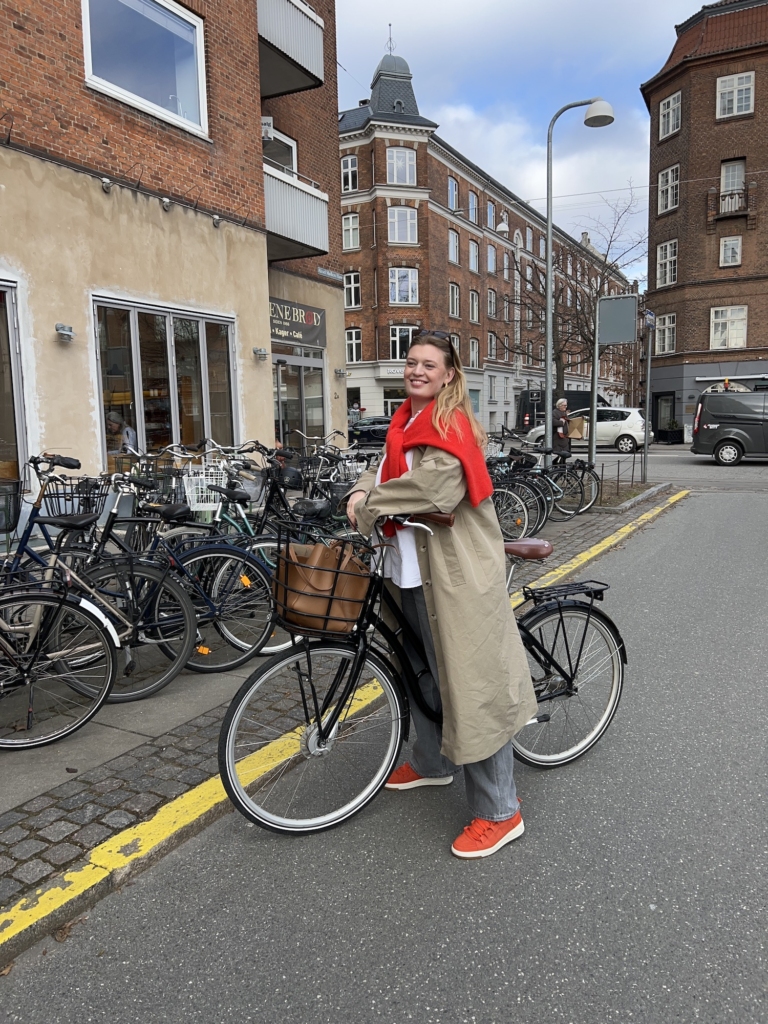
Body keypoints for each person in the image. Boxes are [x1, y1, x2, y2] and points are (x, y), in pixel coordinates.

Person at [346, 331, 537, 859]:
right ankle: (433, 762)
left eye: (429, 365)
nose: (417, 371)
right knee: (419, 672)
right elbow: (387, 467)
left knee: (469, 686)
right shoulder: (406, 418)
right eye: (412, 363)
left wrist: (368, 505)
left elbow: (435, 487)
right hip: (408, 569)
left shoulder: (450, 422)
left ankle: (501, 811)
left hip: (453, 574)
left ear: (449, 374)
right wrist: (363, 486)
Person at [552, 398, 570, 464]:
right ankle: (557, 469)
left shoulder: (563, 413)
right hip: (558, 438)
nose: (566, 407)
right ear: (559, 405)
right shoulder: (554, 413)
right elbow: (553, 422)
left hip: (563, 438)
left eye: (566, 405)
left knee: (563, 457)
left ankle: (560, 470)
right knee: (561, 455)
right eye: (564, 405)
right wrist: (561, 422)